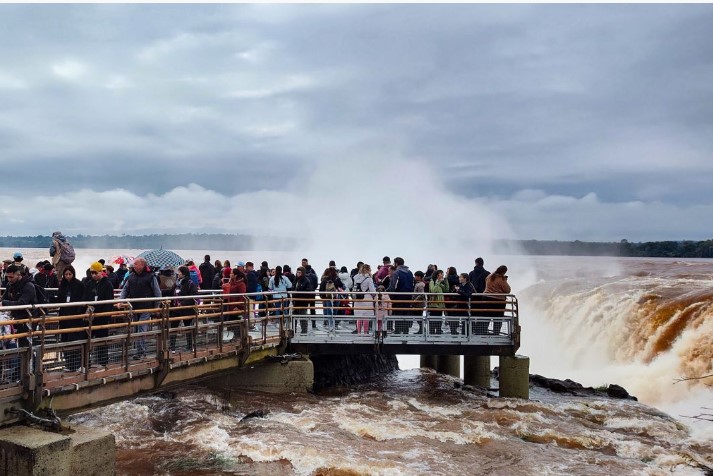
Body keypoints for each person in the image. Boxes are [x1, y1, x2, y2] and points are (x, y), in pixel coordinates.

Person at [117, 257, 161, 360]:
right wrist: (120, 301)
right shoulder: (131, 276)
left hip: (146, 307)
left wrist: (156, 307)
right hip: (135, 306)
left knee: (141, 328)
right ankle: (139, 351)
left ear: (142, 265)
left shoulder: (151, 276)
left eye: (136, 264)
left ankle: (141, 352)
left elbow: (157, 292)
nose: (134, 265)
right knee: (136, 328)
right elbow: (125, 289)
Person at [83, 262, 114, 367]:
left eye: (95, 273)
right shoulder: (89, 284)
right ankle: (87, 362)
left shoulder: (107, 284)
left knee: (102, 340)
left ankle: (103, 362)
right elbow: (85, 298)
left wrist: (105, 315)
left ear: (101, 272)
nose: (93, 275)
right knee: (87, 339)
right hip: (91, 317)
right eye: (92, 273)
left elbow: (109, 301)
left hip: (102, 317)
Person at [56, 265, 86, 372]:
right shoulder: (63, 285)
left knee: (73, 340)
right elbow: (60, 298)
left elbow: (83, 299)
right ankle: (70, 364)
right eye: (66, 274)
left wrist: (79, 312)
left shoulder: (79, 285)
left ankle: (77, 364)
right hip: (64, 316)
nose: (68, 276)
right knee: (64, 339)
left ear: (73, 274)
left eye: (70, 274)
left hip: (75, 317)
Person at [1, 264, 37, 347]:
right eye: (7, 277)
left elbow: (22, 303)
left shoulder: (29, 286)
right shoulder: (10, 285)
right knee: (14, 342)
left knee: (25, 345)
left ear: (18, 275)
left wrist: (5, 303)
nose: (9, 279)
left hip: (28, 319)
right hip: (16, 318)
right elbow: (4, 298)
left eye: (11, 277)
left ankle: (31, 359)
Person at [171, 266, 198, 352]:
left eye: (179, 272)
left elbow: (194, 295)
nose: (177, 274)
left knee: (188, 328)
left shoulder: (190, 283)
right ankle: (172, 347)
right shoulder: (176, 283)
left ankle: (190, 346)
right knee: (173, 327)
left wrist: (182, 303)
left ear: (183, 273)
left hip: (186, 309)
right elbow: (172, 292)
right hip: (176, 309)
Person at [386, 257, 414, 335]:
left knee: (398, 312)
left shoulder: (397, 272)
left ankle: (398, 330)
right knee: (406, 313)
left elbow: (393, 286)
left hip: (399, 295)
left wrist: (388, 292)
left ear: (396, 263)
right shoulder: (410, 272)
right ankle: (406, 330)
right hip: (408, 296)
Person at [484, 265, 511, 336]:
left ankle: (483, 331)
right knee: (498, 318)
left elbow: (486, 281)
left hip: (486, 299)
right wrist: (505, 280)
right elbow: (507, 290)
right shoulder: (501, 279)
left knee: (486, 316)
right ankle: (496, 333)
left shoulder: (490, 276)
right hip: (498, 301)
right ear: (504, 272)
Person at [353, 264, 376, 335]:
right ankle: (365, 332)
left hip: (358, 299)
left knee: (359, 317)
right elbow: (373, 291)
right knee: (366, 317)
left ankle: (359, 332)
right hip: (366, 298)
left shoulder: (356, 278)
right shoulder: (369, 279)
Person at [292, 267, 315, 334]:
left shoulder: (306, 281)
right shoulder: (296, 280)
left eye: (299, 272)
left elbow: (308, 292)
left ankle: (304, 331)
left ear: (303, 273)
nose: (298, 274)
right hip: (295, 302)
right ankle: (293, 330)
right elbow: (293, 288)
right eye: (297, 272)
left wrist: (300, 295)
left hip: (302, 302)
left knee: (303, 317)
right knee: (293, 317)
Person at [427, 270, 448, 335]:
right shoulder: (432, 282)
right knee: (433, 320)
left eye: (443, 274)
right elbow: (433, 290)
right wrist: (437, 283)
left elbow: (446, 290)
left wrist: (446, 281)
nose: (442, 275)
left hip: (441, 304)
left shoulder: (441, 283)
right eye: (441, 274)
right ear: (437, 275)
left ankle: (438, 332)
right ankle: (432, 333)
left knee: (439, 319)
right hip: (434, 304)